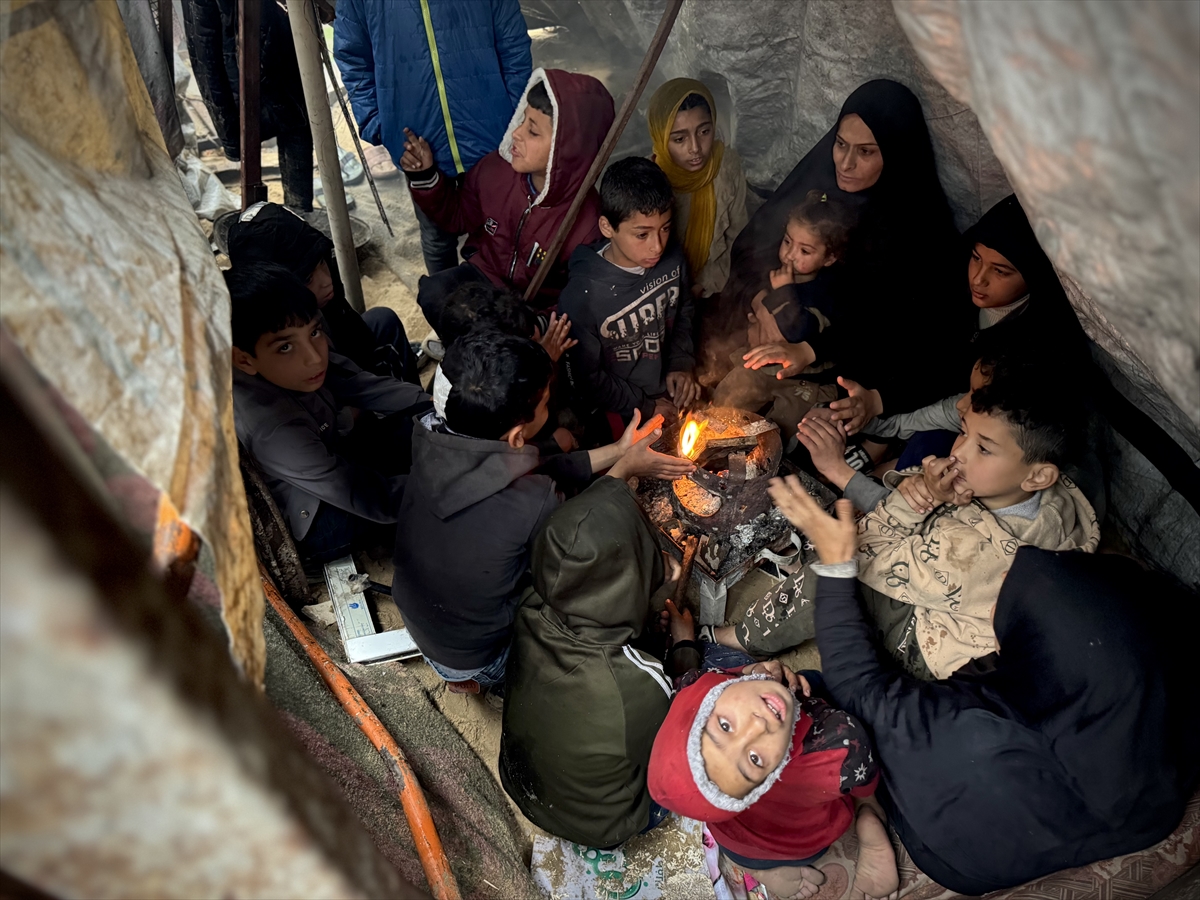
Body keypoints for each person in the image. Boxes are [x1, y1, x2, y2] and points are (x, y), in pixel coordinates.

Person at [769, 478, 1200, 895]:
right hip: (1145, 818)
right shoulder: (1148, 666)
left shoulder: (941, 726)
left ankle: (871, 812)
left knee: (830, 703)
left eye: (1006, 603)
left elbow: (855, 680)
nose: (992, 603)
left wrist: (835, 563)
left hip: (956, 859)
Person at [717, 368, 1100, 679]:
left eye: (983, 448)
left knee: (830, 575)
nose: (959, 454)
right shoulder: (1045, 498)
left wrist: (923, 496)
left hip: (931, 647)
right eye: (963, 433)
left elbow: (860, 551)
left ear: (1038, 476)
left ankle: (737, 637)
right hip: (953, 597)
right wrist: (923, 489)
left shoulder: (979, 552)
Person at [391, 331, 693, 695]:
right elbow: (579, 534)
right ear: (518, 435)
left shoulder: (434, 434)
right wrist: (625, 470)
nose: (549, 407)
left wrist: (618, 450)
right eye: (546, 402)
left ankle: (465, 676)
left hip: (430, 625)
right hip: (483, 654)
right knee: (598, 587)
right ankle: (497, 681)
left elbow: (537, 467)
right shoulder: (530, 503)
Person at [714, 81, 973, 434]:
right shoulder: (819, 190)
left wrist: (806, 345)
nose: (846, 164)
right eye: (840, 144)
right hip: (776, 340)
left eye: (866, 152)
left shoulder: (917, 232)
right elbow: (753, 250)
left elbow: (896, 329)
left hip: (847, 377)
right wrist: (762, 302)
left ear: (895, 152)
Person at [499, 477, 679, 848]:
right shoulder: (637, 685)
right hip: (601, 825)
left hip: (520, 784)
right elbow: (676, 735)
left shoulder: (531, 606)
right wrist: (686, 645)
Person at [647, 635, 898, 900]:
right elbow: (864, 774)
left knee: (737, 843)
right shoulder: (840, 743)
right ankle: (872, 820)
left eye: (724, 726)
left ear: (705, 695)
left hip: (740, 843)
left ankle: (760, 868)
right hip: (808, 843)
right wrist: (869, 800)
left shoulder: (694, 685)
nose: (758, 726)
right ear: (766, 779)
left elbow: (700, 680)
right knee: (816, 682)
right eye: (754, 759)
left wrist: (753, 672)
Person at [229, 265, 430, 564]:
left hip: (326, 452)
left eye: (314, 331)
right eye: (285, 346)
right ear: (244, 360)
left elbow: (358, 383)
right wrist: (441, 495)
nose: (314, 357)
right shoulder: (271, 426)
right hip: (316, 515)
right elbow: (357, 492)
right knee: (412, 506)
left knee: (419, 431)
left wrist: (432, 404)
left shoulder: (302, 350)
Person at [333, 0, 532, 274]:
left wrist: (514, 110)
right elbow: (352, 57)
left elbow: (513, 42)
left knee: (501, 229)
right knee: (437, 238)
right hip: (416, 142)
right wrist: (378, 123)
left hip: (492, 132)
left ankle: (500, 308)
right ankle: (447, 309)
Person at [400, 68, 615, 320]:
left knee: (501, 339)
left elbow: (583, 296)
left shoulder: (588, 223)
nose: (516, 133)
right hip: (486, 277)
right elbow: (458, 217)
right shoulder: (494, 172)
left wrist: (542, 326)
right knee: (435, 293)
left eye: (533, 131)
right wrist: (425, 176)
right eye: (522, 120)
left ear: (568, 148)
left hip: (535, 307)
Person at [559, 157, 700, 442]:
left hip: (663, 391)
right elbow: (588, 379)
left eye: (665, 228)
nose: (657, 245)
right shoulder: (582, 298)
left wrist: (681, 363)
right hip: (616, 410)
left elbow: (683, 311)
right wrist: (645, 406)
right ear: (607, 227)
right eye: (642, 234)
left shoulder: (672, 259)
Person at [711, 189, 856, 437]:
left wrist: (783, 293)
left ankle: (763, 461)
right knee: (728, 396)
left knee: (780, 429)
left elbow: (800, 331)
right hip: (763, 364)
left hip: (805, 381)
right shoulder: (779, 274)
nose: (789, 255)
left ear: (829, 258)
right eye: (787, 241)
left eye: (805, 251)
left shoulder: (824, 293)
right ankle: (713, 437)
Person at [227, 202, 418, 383]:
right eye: (307, 278)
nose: (327, 281)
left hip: (354, 367)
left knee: (383, 319)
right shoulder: (274, 345)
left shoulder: (325, 304)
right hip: (338, 400)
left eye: (322, 262)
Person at [182, 0, 314, 210]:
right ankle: (260, 224)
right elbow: (204, 44)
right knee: (264, 132)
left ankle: (299, 213)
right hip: (238, 65)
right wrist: (229, 132)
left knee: (297, 122)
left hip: (281, 44)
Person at [647, 78, 748, 299]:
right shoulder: (647, 179)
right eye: (679, 139)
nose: (695, 149)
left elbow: (737, 237)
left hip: (716, 284)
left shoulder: (726, 165)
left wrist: (707, 283)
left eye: (704, 132)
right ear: (661, 137)